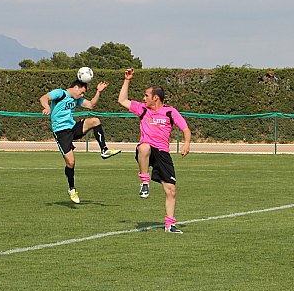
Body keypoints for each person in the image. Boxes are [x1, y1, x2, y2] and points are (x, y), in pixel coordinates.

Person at [118, 68, 191, 233]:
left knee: (171, 190)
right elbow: (122, 100)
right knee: (144, 147)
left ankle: (169, 225)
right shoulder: (142, 109)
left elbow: (185, 128)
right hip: (147, 152)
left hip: (163, 153)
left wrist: (187, 143)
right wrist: (127, 80)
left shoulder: (170, 111)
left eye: (146, 95)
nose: (144, 98)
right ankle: (145, 182)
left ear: (155, 97)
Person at [39, 79, 121, 204]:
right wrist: (47, 107)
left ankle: (104, 150)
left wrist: (98, 92)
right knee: (71, 163)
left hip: (72, 127)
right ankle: (72, 189)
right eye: (82, 92)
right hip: (61, 133)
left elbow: (91, 105)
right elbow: (44, 98)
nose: (82, 95)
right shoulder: (60, 93)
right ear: (76, 87)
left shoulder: (76, 99)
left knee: (95, 121)